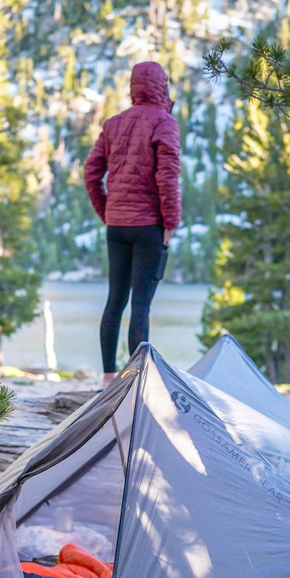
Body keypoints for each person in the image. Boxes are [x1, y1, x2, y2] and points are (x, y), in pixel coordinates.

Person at [83, 61, 181, 389]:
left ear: (133, 87)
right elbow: (167, 177)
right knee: (141, 303)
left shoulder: (113, 124)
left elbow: (91, 172)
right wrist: (171, 222)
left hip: (117, 226)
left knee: (115, 300)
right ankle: (135, 382)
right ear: (162, 87)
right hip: (149, 225)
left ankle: (108, 377)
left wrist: (107, 211)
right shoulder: (164, 122)